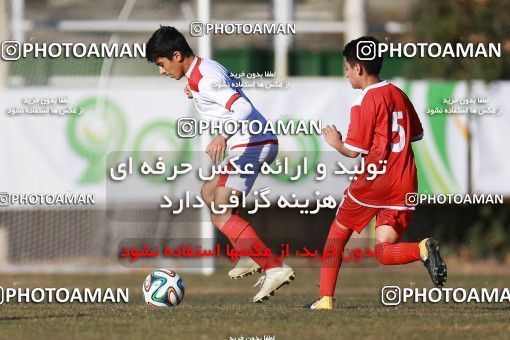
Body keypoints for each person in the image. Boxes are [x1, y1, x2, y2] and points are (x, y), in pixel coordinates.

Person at [146, 26, 294, 303]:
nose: (162, 72)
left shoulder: (204, 77)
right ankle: (247, 254)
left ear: (177, 55)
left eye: (162, 65)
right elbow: (227, 88)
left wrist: (221, 135)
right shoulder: (204, 71)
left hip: (253, 145)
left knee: (221, 211)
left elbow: (243, 109)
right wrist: (198, 93)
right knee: (208, 193)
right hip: (253, 144)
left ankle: (274, 267)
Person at [305, 36, 447, 310]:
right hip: (405, 181)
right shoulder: (398, 94)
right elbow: (416, 133)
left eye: (346, 68)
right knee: (383, 250)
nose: (346, 74)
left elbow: (354, 151)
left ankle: (325, 299)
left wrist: (335, 142)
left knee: (337, 233)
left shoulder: (364, 101)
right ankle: (422, 248)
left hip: (375, 178)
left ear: (358, 68)